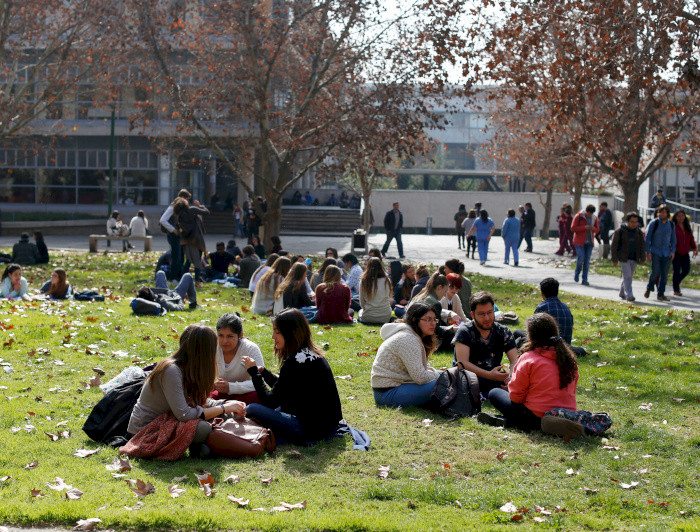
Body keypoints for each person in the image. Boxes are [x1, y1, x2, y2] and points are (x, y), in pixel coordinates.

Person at [127, 324, 246, 457]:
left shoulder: (190, 368)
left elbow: (197, 402)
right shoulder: (171, 370)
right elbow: (184, 414)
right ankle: (207, 445)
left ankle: (206, 446)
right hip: (150, 429)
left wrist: (228, 404)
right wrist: (223, 408)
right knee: (203, 428)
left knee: (227, 415)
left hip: (173, 421)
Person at [243, 309, 343, 443]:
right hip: (328, 425)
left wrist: (254, 373)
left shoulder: (294, 362)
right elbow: (285, 389)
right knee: (276, 409)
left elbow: (270, 402)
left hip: (309, 430)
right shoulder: (313, 354)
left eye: (277, 332)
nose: (273, 336)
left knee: (252, 409)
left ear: (290, 333)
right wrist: (264, 373)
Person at [477, 313, 582, 439]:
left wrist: (510, 387)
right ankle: (519, 423)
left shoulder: (529, 358)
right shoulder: (569, 358)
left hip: (535, 414)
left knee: (494, 392)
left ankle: (515, 422)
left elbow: (516, 398)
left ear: (531, 336)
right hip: (566, 413)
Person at [370, 301, 441, 408]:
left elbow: (421, 370)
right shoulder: (407, 339)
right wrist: (441, 376)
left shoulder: (412, 336)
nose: (433, 323)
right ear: (414, 320)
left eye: (434, 319)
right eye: (427, 319)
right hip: (387, 393)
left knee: (447, 377)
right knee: (445, 383)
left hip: (400, 386)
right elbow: (420, 377)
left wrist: (440, 374)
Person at [453, 291, 519, 396]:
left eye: (490, 312)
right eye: (481, 314)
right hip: (470, 378)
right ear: (472, 315)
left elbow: (515, 360)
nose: (487, 318)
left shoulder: (503, 331)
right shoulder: (465, 332)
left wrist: (511, 378)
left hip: (494, 377)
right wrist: (489, 375)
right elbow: (462, 363)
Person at [212, 313, 264, 404]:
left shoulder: (250, 349)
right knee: (201, 397)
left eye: (230, 336)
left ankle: (224, 407)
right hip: (221, 393)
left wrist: (230, 387)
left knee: (258, 396)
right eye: (220, 335)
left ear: (240, 335)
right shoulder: (213, 347)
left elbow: (260, 382)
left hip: (245, 394)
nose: (224, 341)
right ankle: (227, 407)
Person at [408, 272, 458, 351]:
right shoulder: (435, 303)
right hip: (423, 338)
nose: (445, 295)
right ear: (439, 287)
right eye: (445, 291)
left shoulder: (420, 295)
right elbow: (435, 330)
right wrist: (452, 329)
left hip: (411, 333)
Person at [611, 212, 646, 301]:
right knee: (627, 276)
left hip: (634, 257)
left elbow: (642, 246)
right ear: (627, 221)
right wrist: (614, 259)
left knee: (629, 276)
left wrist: (643, 258)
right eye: (632, 222)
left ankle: (622, 292)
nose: (634, 224)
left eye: (635, 222)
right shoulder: (620, 231)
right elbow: (614, 246)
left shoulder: (638, 232)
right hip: (624, 258)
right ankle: (629, 295)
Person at [644, 205, 676, 301]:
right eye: (660, 212)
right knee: (655, 272)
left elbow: (673, 239)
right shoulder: (654, 223)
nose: (661, 214)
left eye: (664, 212)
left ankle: (661, 294)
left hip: (667, 253)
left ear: (667, 213)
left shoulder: (671, 224)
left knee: (665, 275)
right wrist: (648, 252)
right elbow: (647, 238)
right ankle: (649, 288)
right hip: (655, 252)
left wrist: (673, 251)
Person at [173, 196, 209, 281]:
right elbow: (206, 212)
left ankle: (182, 279)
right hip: (196, 239)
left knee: (188, 261)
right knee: (197, 260)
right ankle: (197, 280)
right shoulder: (191, 210)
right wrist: (200, 205)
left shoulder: (178, 215)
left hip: (186, 240)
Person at [131, 271, 198, 314]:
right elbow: (180, 308)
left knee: (160, 273)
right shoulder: (164, 303)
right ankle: (193, 303)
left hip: (164, 293)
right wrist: (178, 297)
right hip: (174, 296)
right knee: (188, 276)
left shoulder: (146, 300)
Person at [160, 189, 191, 281]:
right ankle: (174, 277)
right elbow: (162, 220)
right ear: (182, 198)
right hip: (173, 235)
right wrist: (173, 230)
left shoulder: (178, 208)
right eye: (187, 199)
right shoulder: (172, 207)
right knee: (176, 256)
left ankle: (178, 276)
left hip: (178, 235)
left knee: (180, 256)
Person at [671, 210, 698, 297]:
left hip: (685, 252)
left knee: (686, 269)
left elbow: (691, 238)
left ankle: (676, 282)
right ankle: (676, 290)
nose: (681, 217)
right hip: (676, 252)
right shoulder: (673, 226)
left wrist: (694, 248)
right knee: (677, 270)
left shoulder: (687, 226)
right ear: (675, 217)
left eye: (682, 216)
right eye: (679, 216)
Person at [358, 257, 393, 325]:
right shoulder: (387, 280)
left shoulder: (364, 281)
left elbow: (362, 302)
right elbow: (388, 297)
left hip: (369, 316)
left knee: (360, 311)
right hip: (385, 316)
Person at [571, 204, 599, 286]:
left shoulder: (594, 218)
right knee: (581, 257)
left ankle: (584, 279)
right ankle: (577, 272)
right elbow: (573, 228)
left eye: (591, 213)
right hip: (579, 241)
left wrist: (593, 229)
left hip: (589, 242)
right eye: (588, 213)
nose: (589, 215)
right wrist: (584, 227)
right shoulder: (579, 216)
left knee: (587, 261)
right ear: (586, 211)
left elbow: (597, 230)